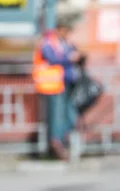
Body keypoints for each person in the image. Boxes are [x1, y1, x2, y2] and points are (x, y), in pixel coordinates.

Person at [33, 19, 83, 160]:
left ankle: (62, 138)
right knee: (57, 115)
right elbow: (53, 59)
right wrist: (69, 58)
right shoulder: (48, 43)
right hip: (53, 85)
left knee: (70, 114)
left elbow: (75, 55)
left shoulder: (65, 44)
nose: (67, 34)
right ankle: (56, 141)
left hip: (67, 83)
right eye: (66, 30)